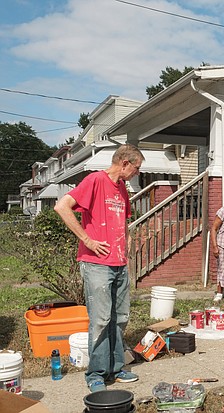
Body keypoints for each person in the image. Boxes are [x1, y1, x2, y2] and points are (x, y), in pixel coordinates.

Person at [54, 144, 144, 393]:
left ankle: (115, 368)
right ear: (125, 163)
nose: (138, 173)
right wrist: (88, 240)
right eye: (137, 168)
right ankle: (96, 373)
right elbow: (62, 207)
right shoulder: (95, 180)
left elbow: (123, 222)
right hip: (96, 265)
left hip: (119, 264)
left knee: (120, 318)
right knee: (101, 320)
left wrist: (127, 246)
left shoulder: (122, 188)